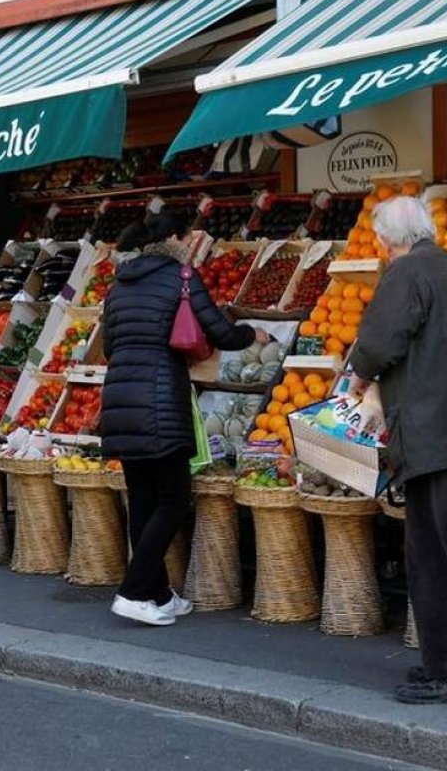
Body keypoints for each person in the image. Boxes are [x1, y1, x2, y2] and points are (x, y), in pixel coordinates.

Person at [348, 196, 447, 705]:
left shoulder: (407, 273)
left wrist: (360, 376)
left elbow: (377, 342)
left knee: (432, 554)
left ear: (389, 239)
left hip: (435, 431)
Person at [100, 213, 268, 626]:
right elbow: (221, 333)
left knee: (143, 500)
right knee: (174, 499)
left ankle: (157, 595)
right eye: (188, 235)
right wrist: (254, 335)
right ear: (174, 239)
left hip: (120, 398)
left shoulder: (118, 285)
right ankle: (133, 592)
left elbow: (108, 347)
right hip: (159, 400)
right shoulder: (181, 277)